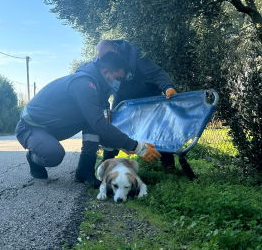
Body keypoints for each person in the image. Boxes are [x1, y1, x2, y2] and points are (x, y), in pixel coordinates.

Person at [15, 51, 162, 187]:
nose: (120, 83)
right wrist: (137, 147)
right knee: (54, 155)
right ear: (105, 72)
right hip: (31, 127)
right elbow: (99, 124)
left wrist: (126, 145)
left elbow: (101, 128)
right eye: (118, 78)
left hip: (56, 127)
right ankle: (33, 157)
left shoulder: (100, 91)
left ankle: (84, 172)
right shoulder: (84, 84)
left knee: (94, 123)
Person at [95, 40, 177, 168]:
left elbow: (156, 73)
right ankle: (106, 160)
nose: (105, 60)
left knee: (158, 128)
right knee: (114, 123)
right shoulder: (99, 62)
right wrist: (106, 109)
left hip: (149, 96)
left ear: (116, 49)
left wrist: (167, 87)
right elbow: (103, 86)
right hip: (122, 97)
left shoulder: (134, 55)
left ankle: (168, 164)